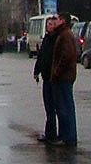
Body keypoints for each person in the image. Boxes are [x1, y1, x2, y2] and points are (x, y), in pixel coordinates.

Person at [51, 13, 78, 147]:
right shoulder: (63, 34)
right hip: (64, 77)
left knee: (66, 108)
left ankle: (69, 137)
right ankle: (67, 136)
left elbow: (66, 56)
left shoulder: (65, 35)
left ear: (63, 21)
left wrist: (56, 72)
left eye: (56, 19)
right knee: (65, 107)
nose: (54, 21)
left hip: (64, 78)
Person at [33, 14, 59, 142]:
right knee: (48, 107)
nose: (48, 27)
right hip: (46, 77)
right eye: (48, 24)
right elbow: (41, 56)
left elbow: (52, 58)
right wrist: (36, 71)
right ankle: (50, 133)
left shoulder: (56, 39)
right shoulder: (47, 39)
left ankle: (52, 134)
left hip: (52, 78)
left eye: (51, 24)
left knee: (52, 107)